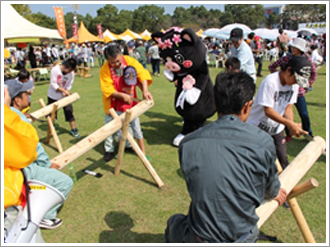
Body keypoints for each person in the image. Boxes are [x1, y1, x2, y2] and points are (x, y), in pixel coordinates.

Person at [165, 71, 287, 243]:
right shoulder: (263, 142)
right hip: (243, 236)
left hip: (201, 236)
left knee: (175, 222)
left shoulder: (188, 143)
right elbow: (270, 187)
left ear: (215, 102)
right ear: (247, 106)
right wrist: (275, 192)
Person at [5, 79, 74, 229]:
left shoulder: (10, 114)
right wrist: (48, 166)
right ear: (16, 100)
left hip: (12, 168)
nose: (29, 97)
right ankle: (45, 216)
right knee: (65, 182)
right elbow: (35, 149)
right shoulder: (17, 119)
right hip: (22, 169)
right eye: (26, 94)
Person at [247, 56, 312, 170]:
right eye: (296, 79)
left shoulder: (294, 86)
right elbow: (268, 111)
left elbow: (288, 108)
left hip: (277, 129)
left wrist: (292, 126)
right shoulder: (270, 82)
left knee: (283, 163)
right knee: (256, 163)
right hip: (257, 129)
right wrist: (289, 124)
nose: (296, 83)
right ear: (288, 70)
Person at [99, 45, 153, 162]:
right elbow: (107, 88)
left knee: (130, 126)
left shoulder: (130, 61)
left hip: (130, 102)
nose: (116, 64)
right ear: (107, 60)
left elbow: (142, 74)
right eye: (112, 62)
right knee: (111, 127)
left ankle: (129, 146)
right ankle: (109, 150)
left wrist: (145, 90)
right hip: (113, 104)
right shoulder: (105, 69)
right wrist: (121, 96)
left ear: (121, 55)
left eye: (118, 61)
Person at [268, 37, 317, 141]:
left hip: (299, 93)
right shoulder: (287, 58)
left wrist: (307, 84)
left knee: (304, 113)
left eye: (295, 47)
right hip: (285, 91)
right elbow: (272, 66)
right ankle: (288, 134)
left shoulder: (307, 60)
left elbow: (314, 73)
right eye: (293, 47)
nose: (293, 49)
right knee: (283, 112)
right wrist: (280, 80)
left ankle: (308, 133)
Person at [110, 66, 150, 159]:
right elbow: (113, 94)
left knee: (137, 130)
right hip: (121, 110)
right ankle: (120, 152)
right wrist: (122, 97)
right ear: (123, 76)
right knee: (121, 133)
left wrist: (145, 92)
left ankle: (143, 153)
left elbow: (141, 85)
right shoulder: (117, 81)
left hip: (133, 109)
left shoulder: (135, 80)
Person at [47, 58, 80, 138]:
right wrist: (63, 90)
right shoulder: (55, 70)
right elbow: (53, 84)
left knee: (69, 111)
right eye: (69, 70)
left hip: (64, 97)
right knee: (52, 114)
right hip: (53, 95)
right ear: (65, 66)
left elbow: (69, 84)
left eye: (71, 70)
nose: (70, 72)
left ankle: (73, 129)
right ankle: (52, 127)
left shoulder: (71, 73)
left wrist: (67, 90)